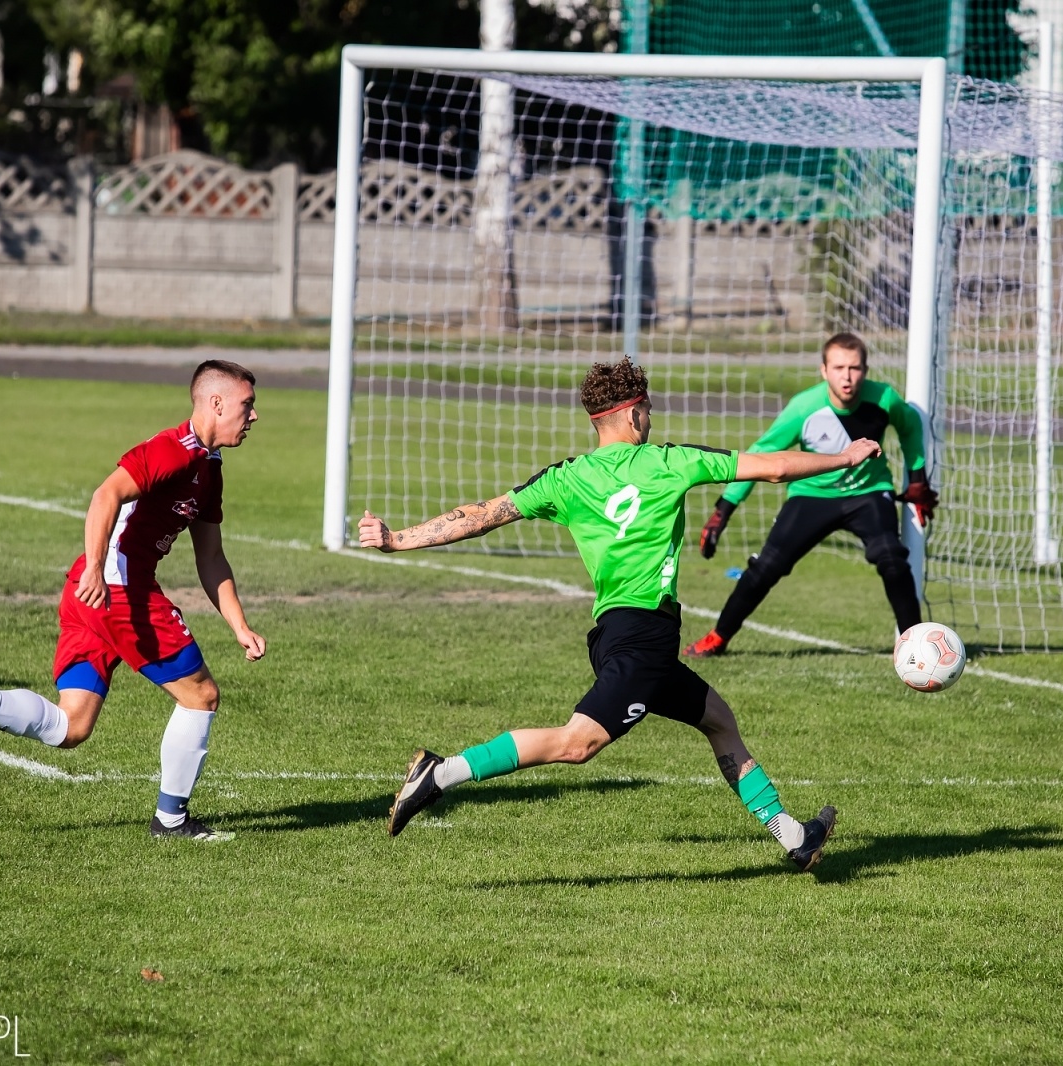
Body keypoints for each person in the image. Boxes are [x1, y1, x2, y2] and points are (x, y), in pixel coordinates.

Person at [359, 357, 881, 872]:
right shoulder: (671, 461)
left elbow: (480, 517)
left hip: (616, 634)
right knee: (576, 743)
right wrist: (845, 456)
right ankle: (440, 772)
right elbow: (775, 467)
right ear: (633, 416)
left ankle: (795, 838)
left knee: (719, 721)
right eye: (649, 409)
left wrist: (397, 540)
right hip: (644, 638)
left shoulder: (565, 478)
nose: (652, 419)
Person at [0, 359, 267, 842]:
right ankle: (171, 821)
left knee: (71, 727)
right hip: (117, 589)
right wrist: (97, 566)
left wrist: (239, 626)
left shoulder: (209, 469)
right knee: (201, 697)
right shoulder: (172, 451)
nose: (254, 417)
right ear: (216, 403)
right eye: (248, 405)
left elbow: (212, 556)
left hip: (90, 592)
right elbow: (105, 495)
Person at [684, 331, 937, 658]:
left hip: (869, 493)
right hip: (811, 496)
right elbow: (761, 453)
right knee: (766, 568)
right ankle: (717, 639)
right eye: (839, 367)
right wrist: (724, 509)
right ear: (823, 370)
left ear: (866, 370)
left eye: (855, 368)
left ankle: (915, 649)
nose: (847, 376)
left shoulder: (884, 399)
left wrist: (917, 477)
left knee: (892, 558)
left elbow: (911, 426)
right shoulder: (804, 407)